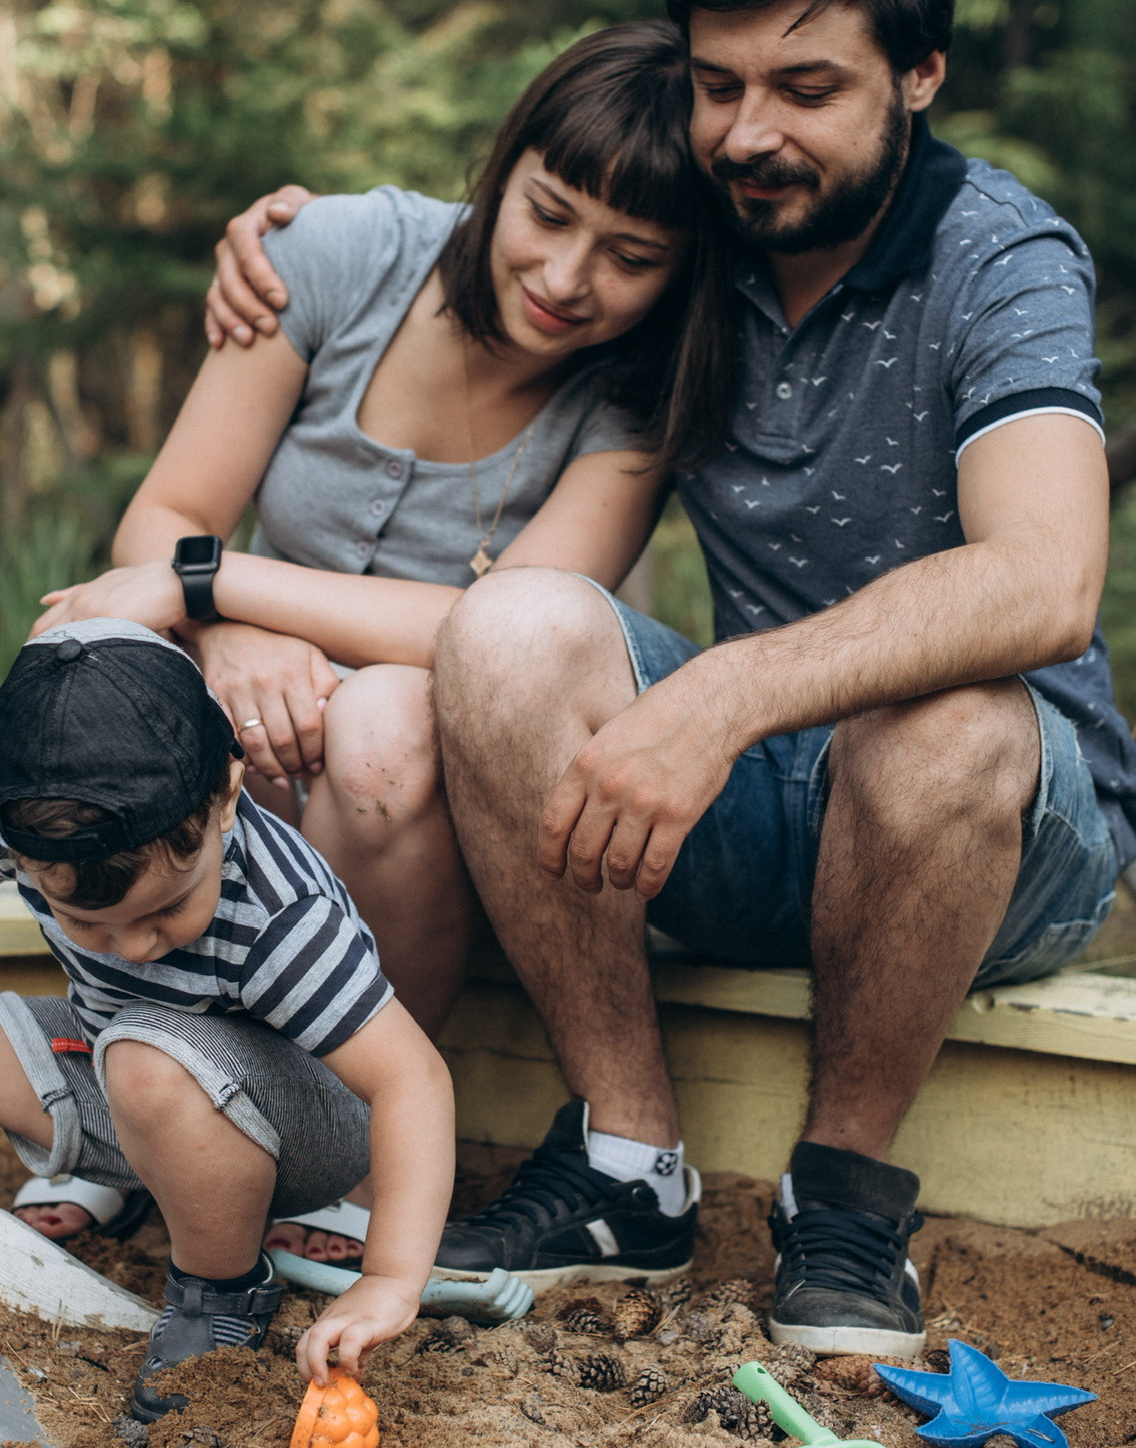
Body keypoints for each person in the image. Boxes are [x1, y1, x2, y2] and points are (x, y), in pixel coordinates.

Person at [211, 0, 1136, 1358]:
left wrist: (715, 699)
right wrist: (282, 239)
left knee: (939, 726)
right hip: (760, 809)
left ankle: (844, 1203)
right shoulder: (703, 234)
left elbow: (1046, 581)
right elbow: (528, 213)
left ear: (921, 74)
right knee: (508, 626)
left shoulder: (994, 255)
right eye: (719, 86)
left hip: (997, 829)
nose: (750, 132)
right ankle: (627, 1164)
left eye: (807, 87)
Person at [33, 22, 730, 1260]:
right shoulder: (335, 253)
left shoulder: (637, 396)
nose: (569, 277)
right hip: (247, 718)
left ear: (678, 273)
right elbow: (167, 514)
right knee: (76, 648)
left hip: (414, 791)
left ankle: (334, 1138)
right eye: (548, 213)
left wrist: (214, 582)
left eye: (631, 256)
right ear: (502, 165)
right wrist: (223, 630)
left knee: (387, 725)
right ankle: (124, 1107)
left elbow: (494, 622)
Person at [0, 620, 456, 1421]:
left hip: (304, 1126)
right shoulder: (42, 832)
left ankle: (219, 1296)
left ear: (226, 795)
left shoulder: (280, 923)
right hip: (137, 1078)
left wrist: (391, 1278)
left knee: (148, 1062)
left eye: (168, 911)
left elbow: (411, 1080)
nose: (133, 945)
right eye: (87, 924)